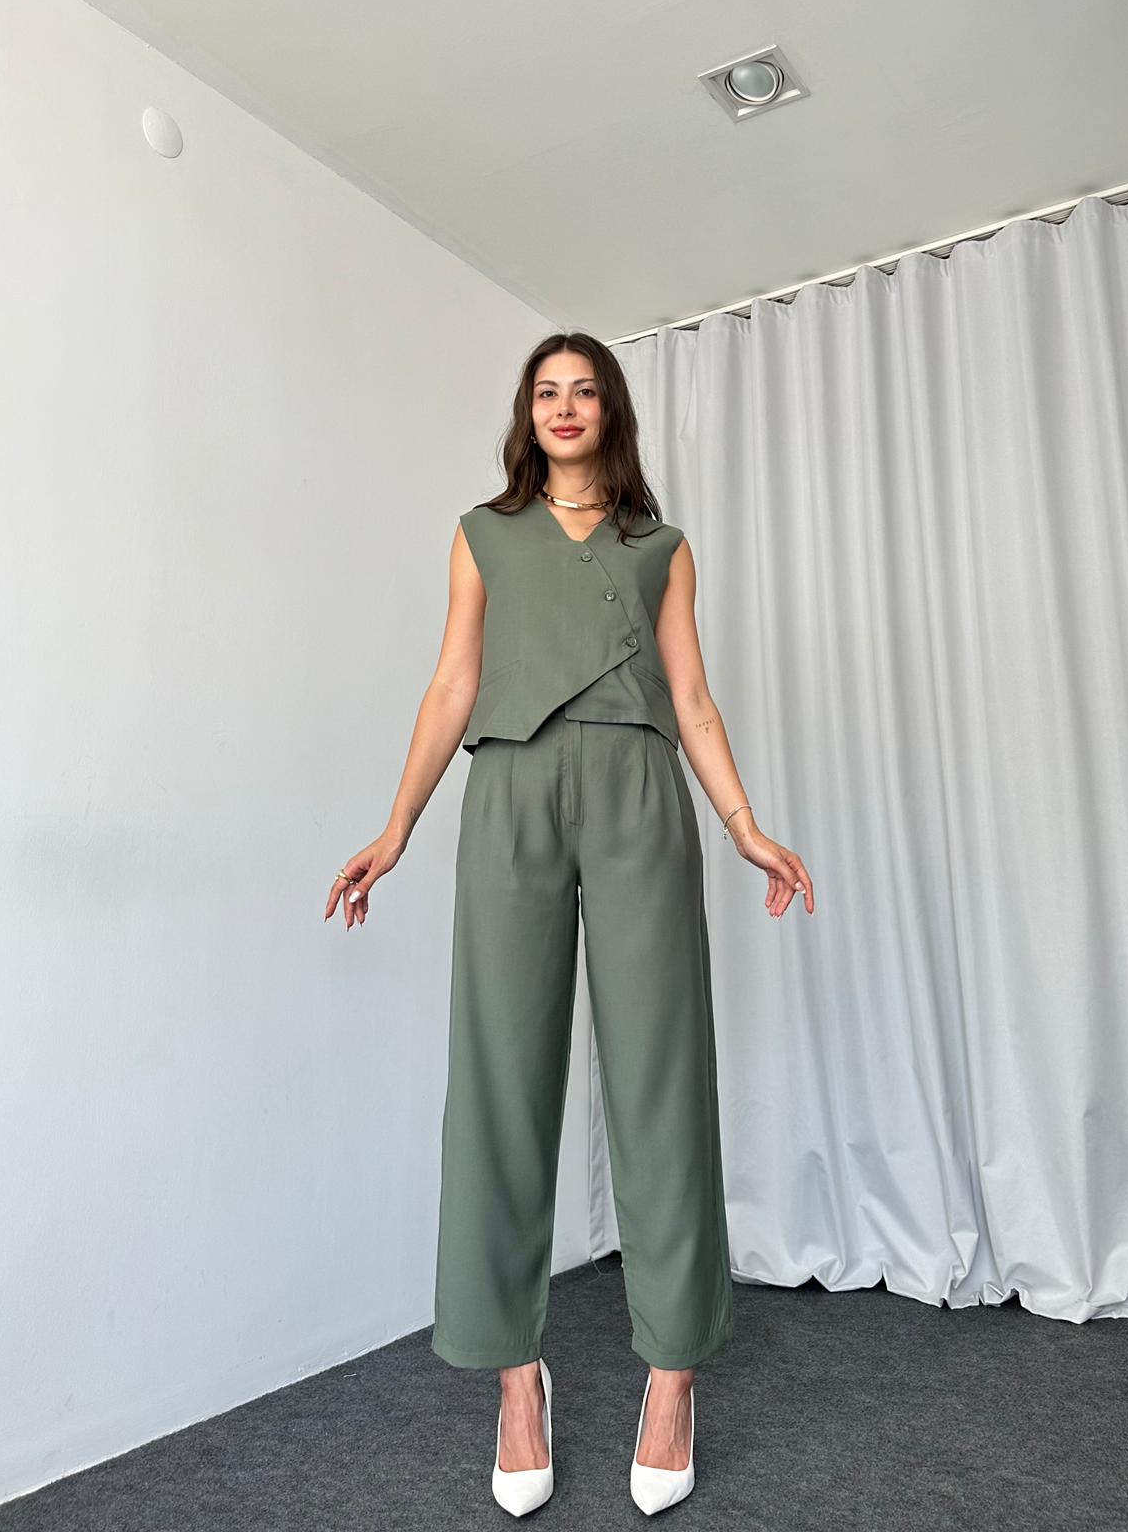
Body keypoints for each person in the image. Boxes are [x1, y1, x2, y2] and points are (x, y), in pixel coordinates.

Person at [324, 329, 814, 1515]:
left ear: (610, 410)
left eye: (583, 389)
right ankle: (515, 1378)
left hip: (640, 790)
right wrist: (396, 826)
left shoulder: (661, 547)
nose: (563, 406)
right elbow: (454, 683)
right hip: (511, 791)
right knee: (500, 1078)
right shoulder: (482, 534)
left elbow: (692, 696)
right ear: (526, 412)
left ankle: (672, 1377)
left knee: (660, 1077)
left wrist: (744, 823)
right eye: (546, 390)